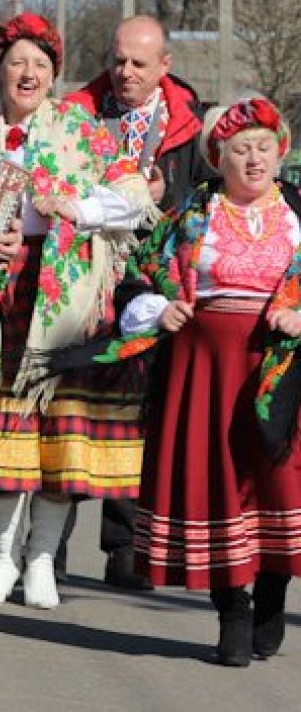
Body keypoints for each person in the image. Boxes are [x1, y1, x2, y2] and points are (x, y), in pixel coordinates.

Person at [0, 13, 153, 610]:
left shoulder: (81, 130)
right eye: (18, 64)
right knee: (5, 432)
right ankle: (2, 557)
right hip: (0, 301)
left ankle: (42, 559)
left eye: (40, 64)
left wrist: (75, 207)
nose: (29, 74)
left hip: (69, 304)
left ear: (54, 74)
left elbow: (135, 201)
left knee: (61, 436)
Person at [101, 98, 301, 666]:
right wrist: (159, 308)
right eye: (241, 149)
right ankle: (231, 610)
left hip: (279, 371)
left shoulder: (298, 212)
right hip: (205, 372)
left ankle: (272, 594)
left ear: (280, 149)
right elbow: (140, 273)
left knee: (279, 484)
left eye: (264, 145)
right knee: (216, 484)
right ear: (219, 157)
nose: (254, 158)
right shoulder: (192, 215)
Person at [64, 14, 208, 588]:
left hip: (154, 283)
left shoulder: (188, 128)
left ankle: (125, 542)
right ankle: (48, 545)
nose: (124, 72)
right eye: (118, 60)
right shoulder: (79, 114)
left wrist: (163, 199)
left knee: (140, 411)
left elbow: (202, 200)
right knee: (74, 403)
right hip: (83, 273)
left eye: (138, 64)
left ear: (164, 67)